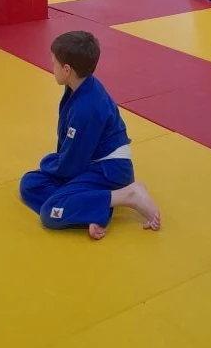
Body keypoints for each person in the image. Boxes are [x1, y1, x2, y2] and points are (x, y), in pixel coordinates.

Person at [19, 30, 161, 240]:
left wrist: (52, 164)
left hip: (109, 171)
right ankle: (91, 209)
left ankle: (128, 195)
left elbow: (72, 165)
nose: (52, 66)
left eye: (54, 63)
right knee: (30, 183)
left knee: (50, 212)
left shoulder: (86, 108)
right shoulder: (80, 86)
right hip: (89, 163)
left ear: (67, 70)